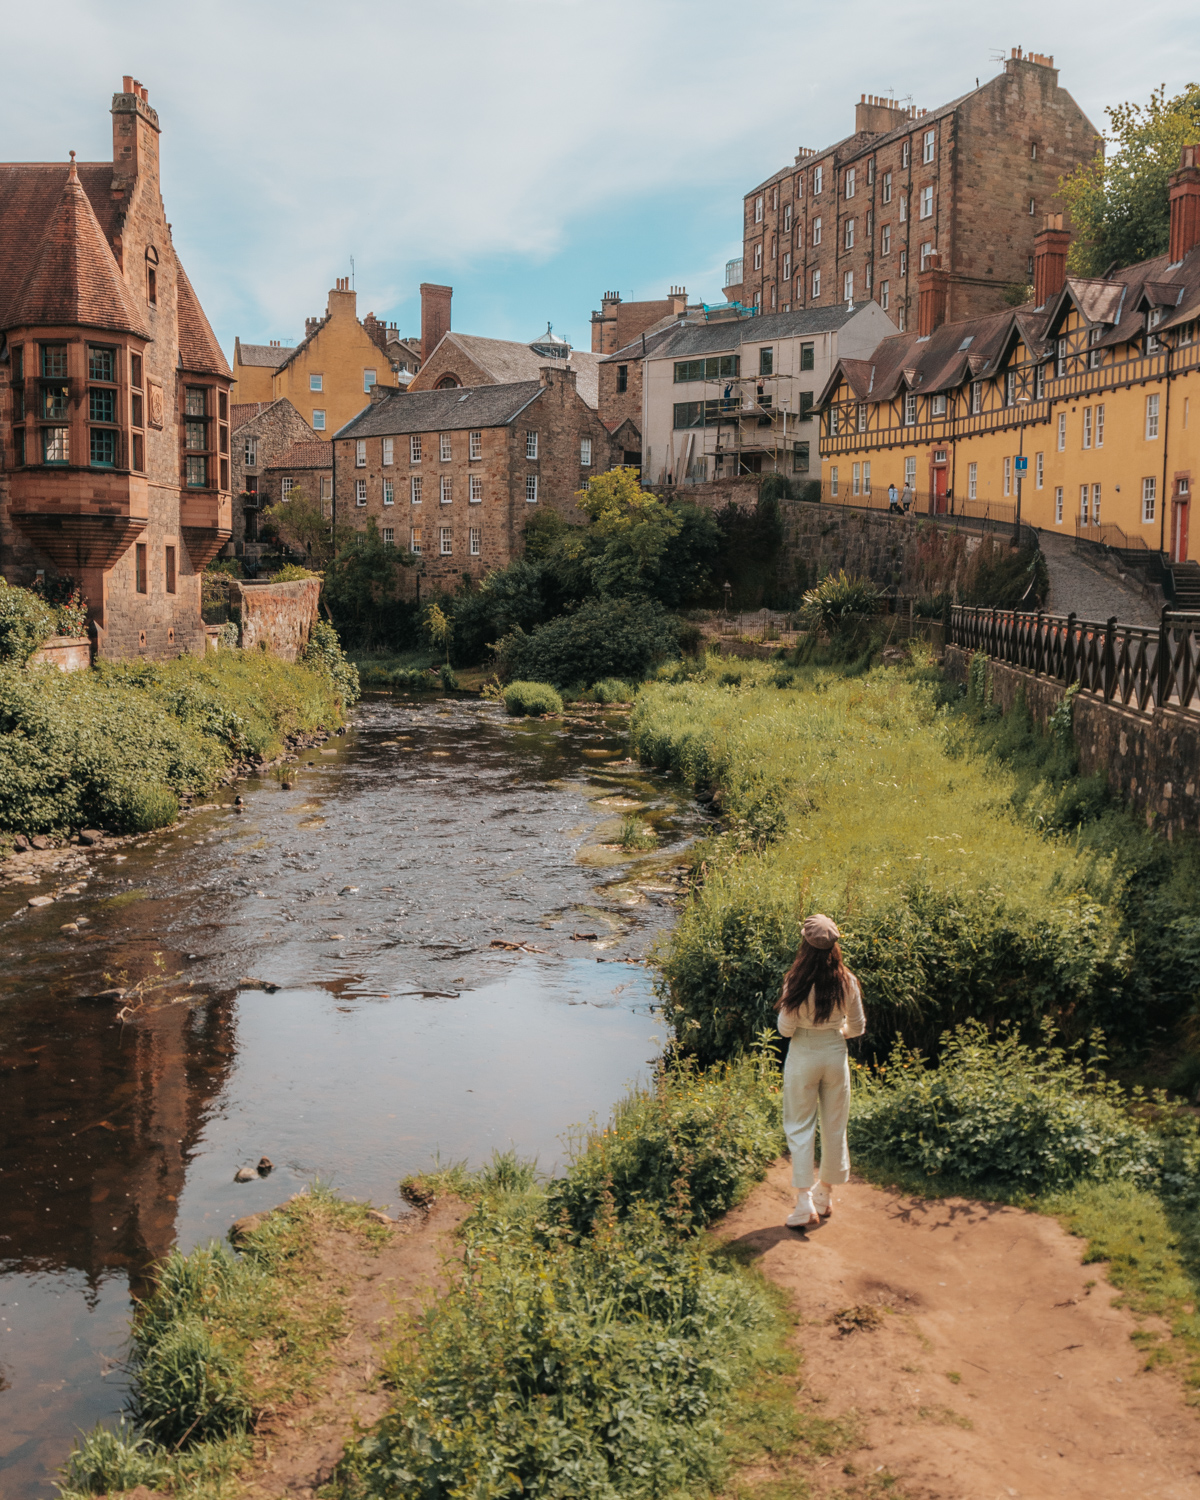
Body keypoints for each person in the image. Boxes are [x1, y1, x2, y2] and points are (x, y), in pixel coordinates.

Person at [775, 913, 865, 1229]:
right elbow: (857, 1027)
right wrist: (835, 1033)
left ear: (805, 944)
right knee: (834, 1124)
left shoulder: (796, 981)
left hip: (803, 1058)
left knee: (800, 1126)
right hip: (835, 1056)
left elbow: (785, 1031)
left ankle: (803, 1203)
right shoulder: (848, 981)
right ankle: (824, 1194)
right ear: (834, 947)